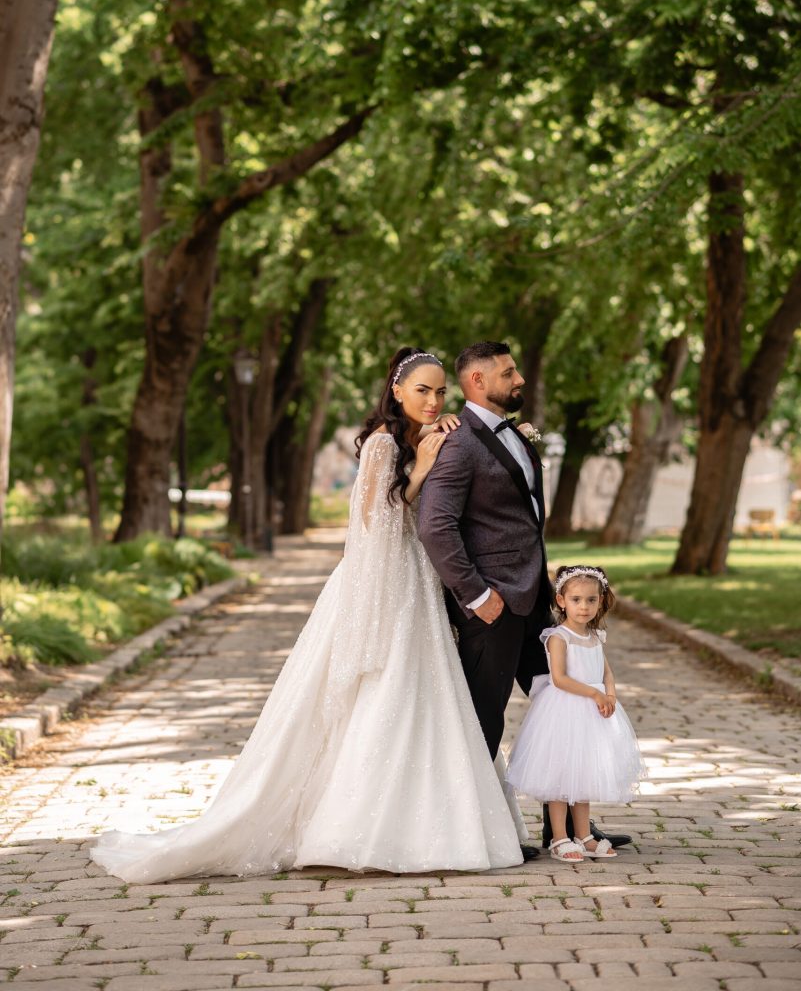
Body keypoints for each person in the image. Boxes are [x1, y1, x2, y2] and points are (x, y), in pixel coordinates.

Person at [90, 348, 525, 883]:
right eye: (422, 391)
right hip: (383, 578)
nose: (433, 401)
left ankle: (434, 821)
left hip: (418, 579)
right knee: (381, 688)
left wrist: (434, 446)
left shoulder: (424, 435)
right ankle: (351, 827)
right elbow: (375, 522)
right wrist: (422, 472)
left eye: (440, 392)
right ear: (396, 391)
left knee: (426, 692)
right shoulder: (383, 444)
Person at [418, 341, 631, 856]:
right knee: (484, 720)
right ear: (477, 381)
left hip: (536, 601)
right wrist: (476, 595)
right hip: (492, 608)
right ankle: (464, 836)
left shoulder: (514, 434)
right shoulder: (458, 444)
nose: (519, 380)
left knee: (565, 705)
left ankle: (569, 829)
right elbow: (435, 526)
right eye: (508, 373)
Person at [506, 564, 647, 862]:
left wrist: (610, 694)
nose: (584, 607)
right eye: (576, 600)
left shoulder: (595, 636)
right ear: (561, 601)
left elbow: (606, 672)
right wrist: (595, 693)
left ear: (600, 600)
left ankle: (584, 836)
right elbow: (559, 678)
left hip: (592, 714)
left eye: (591, 600)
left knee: (582, 776)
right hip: (565, 711)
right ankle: (559, 837)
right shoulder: (559, 637)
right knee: (559, 777)